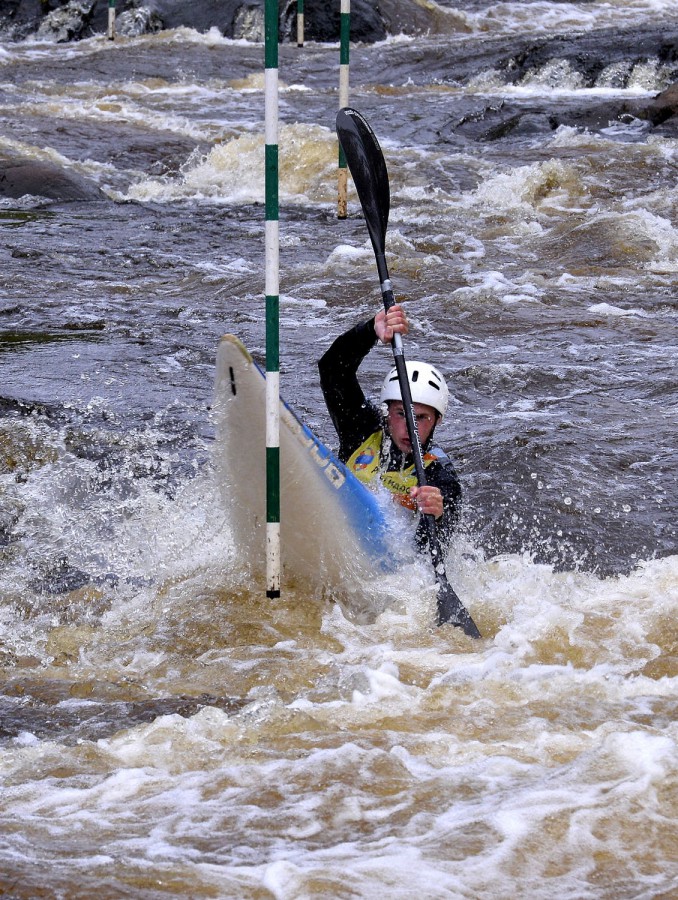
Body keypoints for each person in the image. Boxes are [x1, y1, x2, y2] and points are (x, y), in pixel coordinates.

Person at [318, 303, 462, 551]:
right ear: (387, 412)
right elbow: (332, 370)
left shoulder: (439, 475)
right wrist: (370, 331)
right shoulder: (362, 430)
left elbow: (429, 554)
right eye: (401, 414)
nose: (409, 428)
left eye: (421, 418)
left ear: (437, 420)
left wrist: (438, 516)